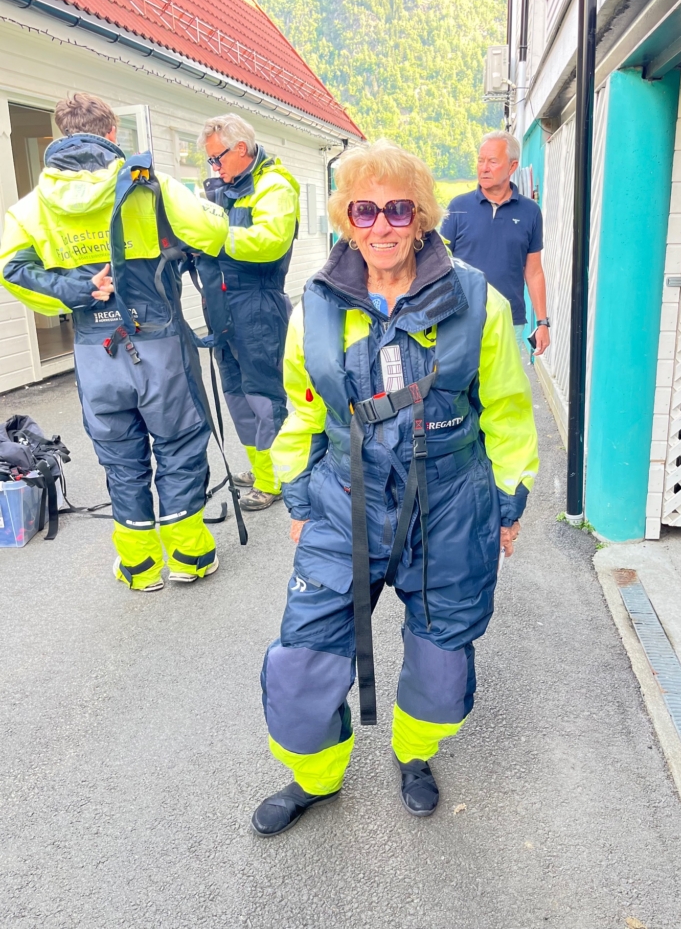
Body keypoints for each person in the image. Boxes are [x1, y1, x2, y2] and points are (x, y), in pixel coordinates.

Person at [252, 139, 539, 836]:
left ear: (422, 216)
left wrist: (506, 501)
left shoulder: (475, 299)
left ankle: (414, 756)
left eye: (397, 208)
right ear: (347, 220)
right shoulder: (313, 308)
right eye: (365, 209)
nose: (381, 225)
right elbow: (302, 411)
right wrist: (296, 496)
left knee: (441, 668)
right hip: (343, 502)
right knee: (301, 665)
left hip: (450, 502)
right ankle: (316, 779)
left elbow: (503, 409)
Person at [0, 93, 229, 591]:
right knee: (179, 444)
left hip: (93, 348)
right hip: (159, 341)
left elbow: (12, 270)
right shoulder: (150, 185)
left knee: (121, 457)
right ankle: (190, 558)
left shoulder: (33, 204)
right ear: (111, 135)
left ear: (60, 136)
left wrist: (78, 289)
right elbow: (213, 232)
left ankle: (140, 567)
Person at [198, 115, 300, 511]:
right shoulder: (224, 188)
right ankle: (261, 471)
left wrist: (213, 238)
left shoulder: (273, 186)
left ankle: (275, 479)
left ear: (241, 148)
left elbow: (270, 242)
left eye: (218, 159)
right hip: (224, 304)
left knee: (263, 394)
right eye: (210, 161)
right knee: (236, 394)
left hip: (258, 301)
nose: (215, 168)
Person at [441, 131, 551, 355]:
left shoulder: (530, 212)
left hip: (510, 321)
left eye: (492, 161)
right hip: (462, 319)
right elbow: (440, 263)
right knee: (460, 387)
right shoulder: (457, 207)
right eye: (481, 160)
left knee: (506, 389)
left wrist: (542, 323)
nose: (484, 168)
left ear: (512, 167)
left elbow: (534, 271)